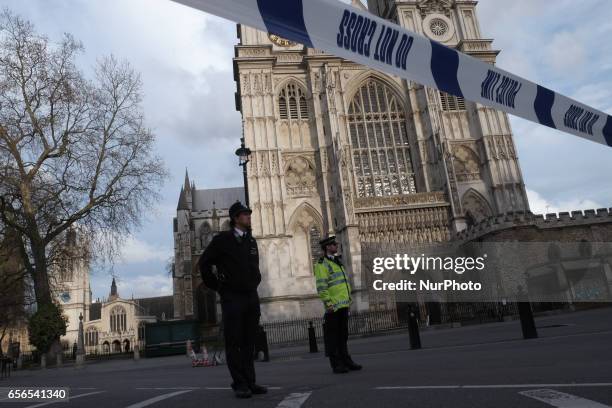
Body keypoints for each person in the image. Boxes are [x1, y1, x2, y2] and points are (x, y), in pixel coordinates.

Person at [199, 201, 267, 398]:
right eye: (245, 214)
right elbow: (205, 263)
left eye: (249, 214)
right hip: (232, 299)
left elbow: (255, 267)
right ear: (236, 218)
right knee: (234, 342)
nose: (249, 217)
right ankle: (239, 383)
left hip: (250, 298)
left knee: (248, 342)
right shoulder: (222, 240)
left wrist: (256, 281)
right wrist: (218, 287)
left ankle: (250, 381)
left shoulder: (251, 241)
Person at [314, 235, 362, 374]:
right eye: (334, 244)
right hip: (333, 307)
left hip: (343, 305)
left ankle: (346, 360)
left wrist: (348, 300)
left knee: (343, 335)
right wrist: (328, 303)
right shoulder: (322, 264)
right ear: (328, 247)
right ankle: (336, 364)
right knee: (333, 337)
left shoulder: (337, 261)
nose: (336, 246)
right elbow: (322, 286)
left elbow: (343, 283)